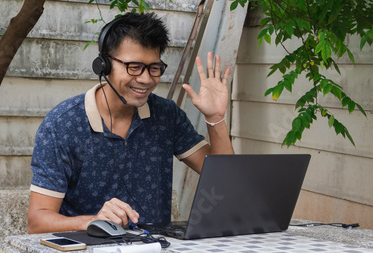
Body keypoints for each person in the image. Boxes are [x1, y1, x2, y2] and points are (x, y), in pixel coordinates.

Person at [28, 12, 234, 233]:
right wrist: (93, 221)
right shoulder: (62, 125)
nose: (146, 79)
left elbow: (227, 180)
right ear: (104, 65)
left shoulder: (166, 115)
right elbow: (37, 221)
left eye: (154, 68)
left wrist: (215, 118)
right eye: (134, 67)